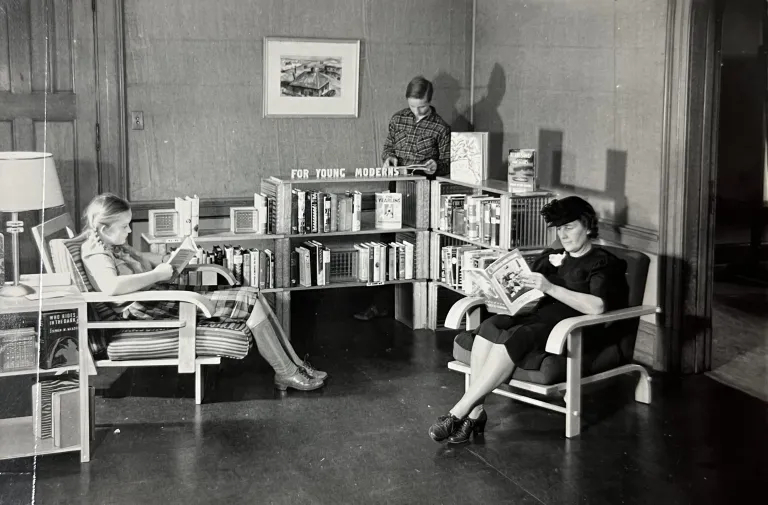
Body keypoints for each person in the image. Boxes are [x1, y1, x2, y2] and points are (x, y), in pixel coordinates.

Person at [428, 196, 630, 443]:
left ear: (588, 227)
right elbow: (530, 294)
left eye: (569, 227)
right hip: (539, 316)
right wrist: (500, 291)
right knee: (491, 325)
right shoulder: (552, 256)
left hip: (570, 328)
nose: (563, 235)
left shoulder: (604, 262)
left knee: (519, 335)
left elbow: (597, 307)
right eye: (559, 229)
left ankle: (459, 411)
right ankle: (477, 412)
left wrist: (551, 287)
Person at [79, 193, 327, 391]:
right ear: (103, 228)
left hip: (155, 298)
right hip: (144, 309)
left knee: (254, 293)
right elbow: (111, 287)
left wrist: (170, 259)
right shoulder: (96, 252)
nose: (129, 231)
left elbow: (141, 257)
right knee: (250, 301)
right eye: (124, 226)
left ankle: (294, 364)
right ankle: (286, 373)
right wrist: (158, 274)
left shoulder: (111, 244)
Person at [354, 76, 451, 321]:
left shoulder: (441, 127)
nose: (417, 111)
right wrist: (389, 158)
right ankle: (380, 304)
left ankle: (418, 310)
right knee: (387, 244)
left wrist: (436, 165)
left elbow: (450, 161)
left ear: (430, 100)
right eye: (412, 106)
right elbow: (388, 148)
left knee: (418, 246)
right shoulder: (398, 119)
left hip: (424, 190)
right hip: (397, 186)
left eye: (422, 106)